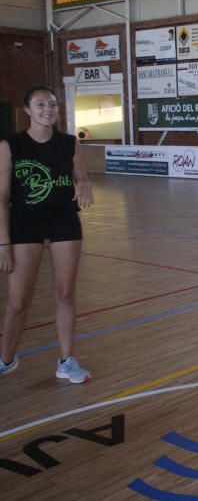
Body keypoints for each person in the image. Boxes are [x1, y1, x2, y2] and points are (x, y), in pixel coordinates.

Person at [1, 86, 94, 382]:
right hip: (24, 221)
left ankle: (66, 361)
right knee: (17, 302)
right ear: (27, 110)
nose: (48, 109)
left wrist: (85, 185)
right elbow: (2, 197)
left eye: (52, 104)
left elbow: (81, 176)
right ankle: (6, 359)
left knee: (65, 292)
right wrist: (3, 242)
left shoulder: (69, 144)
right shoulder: (10, 145)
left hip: (63, 220)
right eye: (41, 104)